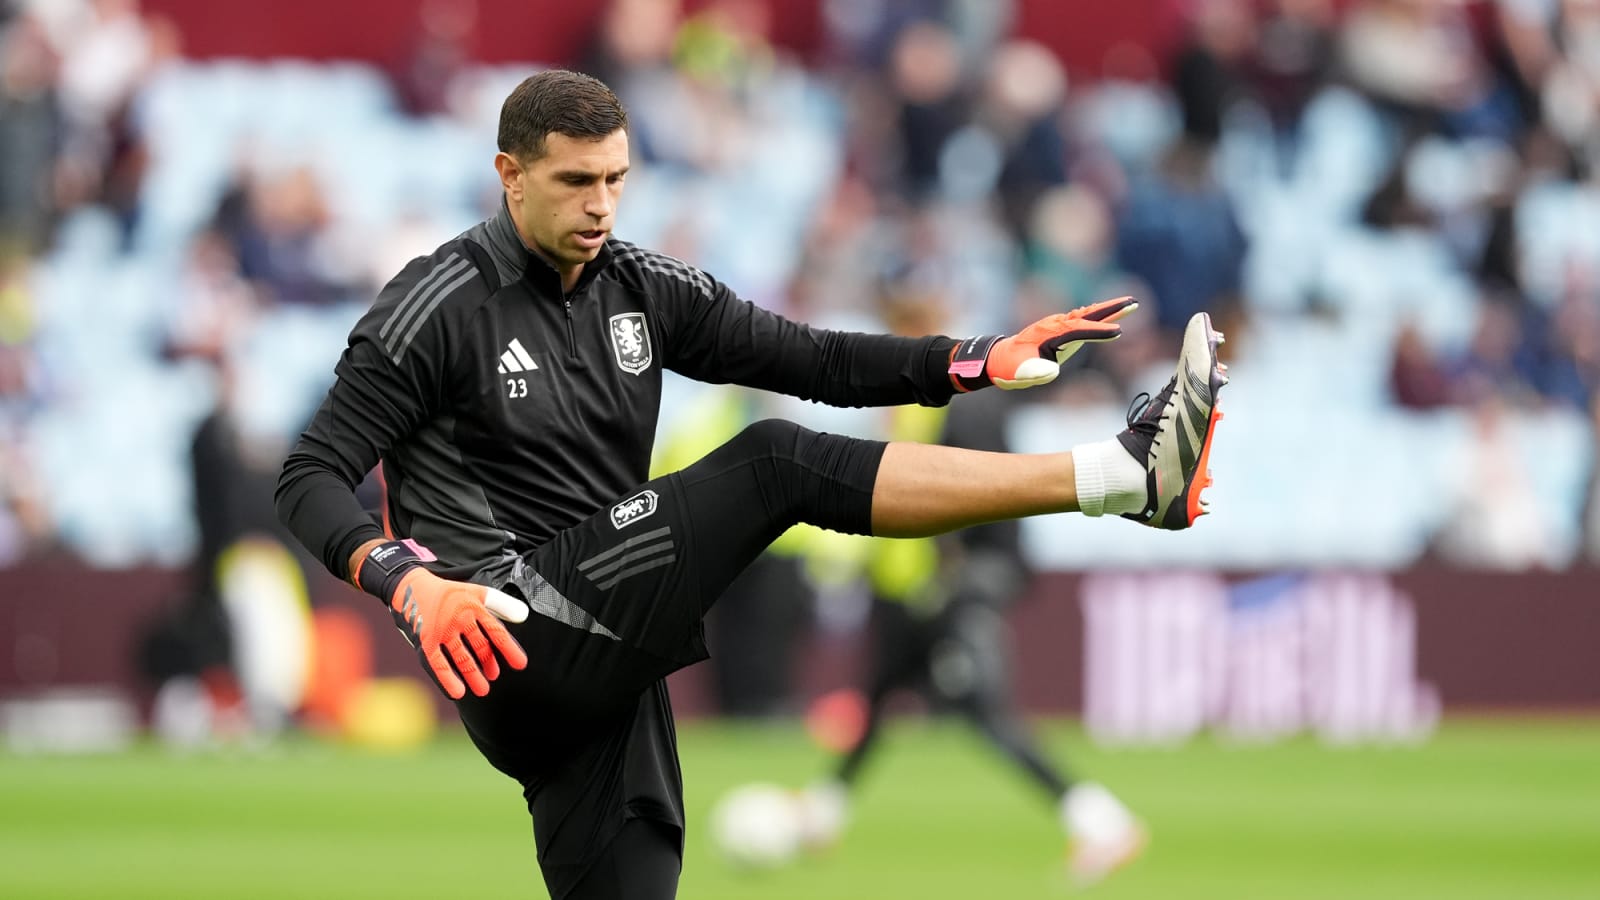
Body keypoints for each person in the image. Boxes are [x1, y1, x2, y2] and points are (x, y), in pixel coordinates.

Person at [274, 69, 1228, 900]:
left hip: (606, 654)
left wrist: (970, 359)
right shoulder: (436, 303)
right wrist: (407, 580)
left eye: (616, 179)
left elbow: (808, 356)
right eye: (575, 182)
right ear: (509, 177)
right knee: (773, 461)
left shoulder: (639, 283)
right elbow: (310, 474)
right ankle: (1122, 478)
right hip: (511, 621)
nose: (602, 205)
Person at [790, 291, 1145, 886]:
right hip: (905, 589)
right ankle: (824, 814)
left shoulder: (967, 406)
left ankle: (1102, 822)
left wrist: (967, 580)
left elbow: (982, 496)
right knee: (879, 701)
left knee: (986, 714)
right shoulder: (904, 403)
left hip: (949, 591)